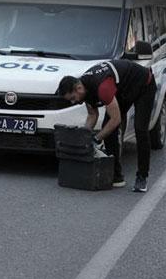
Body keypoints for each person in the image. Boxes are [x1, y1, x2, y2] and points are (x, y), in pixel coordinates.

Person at [57, 60, 157, 192]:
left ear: (78, 88)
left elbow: (116, 120)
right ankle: (116, 176)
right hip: (122, 89)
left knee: (140, 129)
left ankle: (142, 177)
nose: (74, 102)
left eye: (73, 98)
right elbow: (92, 115)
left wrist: (96, 139)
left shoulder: (103, 87)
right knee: (108, 129)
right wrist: (84, 138)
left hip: (144, 84)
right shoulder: (84, 88)